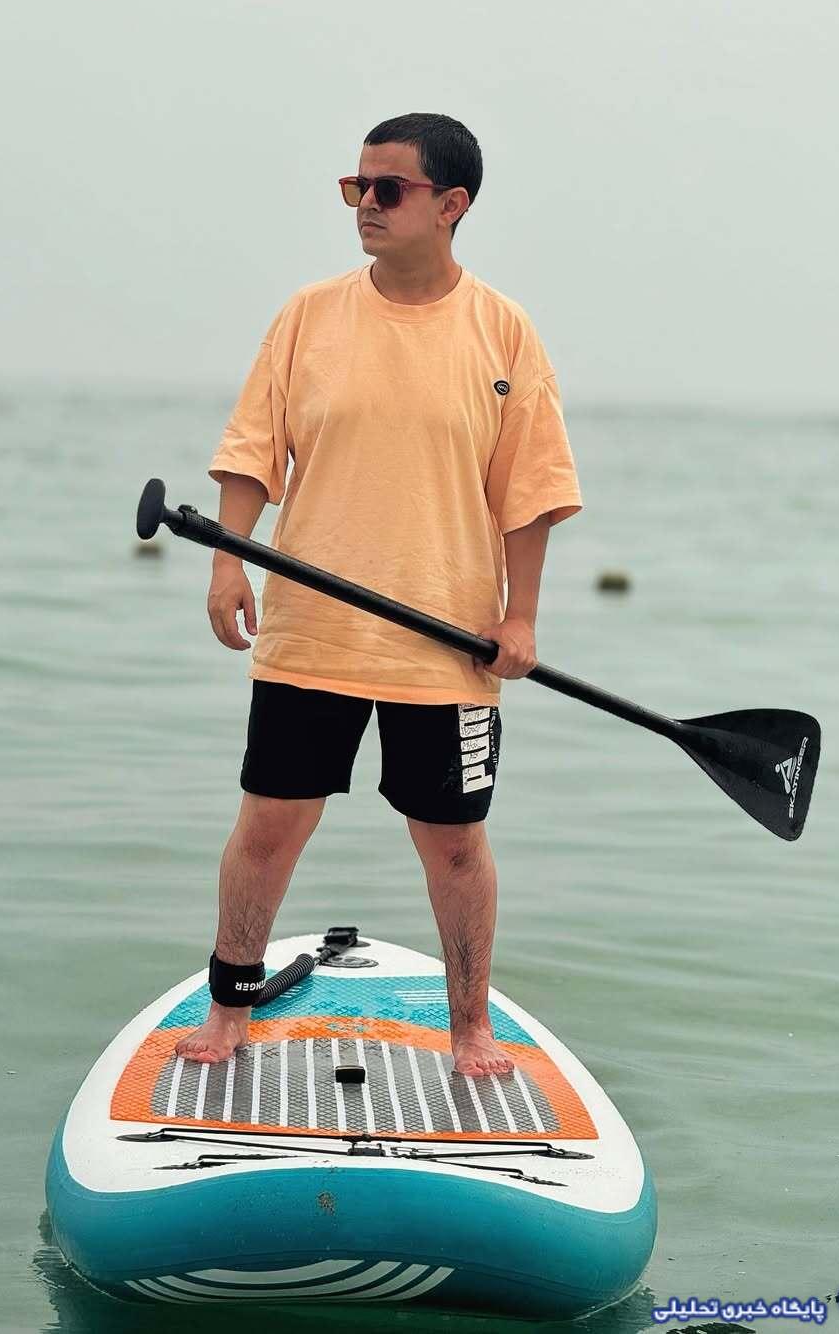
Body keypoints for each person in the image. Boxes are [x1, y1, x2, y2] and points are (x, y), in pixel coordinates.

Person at [176, 112, 582, 1076]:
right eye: (355, 187)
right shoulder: (309, 317)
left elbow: (529, 491)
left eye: (388, 189)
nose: (365, 204)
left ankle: (471, 1029)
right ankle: (229, 1011)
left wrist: (521, 616)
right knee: (268, 827)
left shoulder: (502, 331)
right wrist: (229, 563)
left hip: (445, 639)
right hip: (312, 631)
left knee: (455, 846)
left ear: (451, 205)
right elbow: (252, 448)